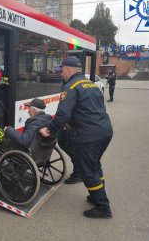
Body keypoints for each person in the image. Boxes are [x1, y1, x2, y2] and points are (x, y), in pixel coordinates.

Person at [40, 56, 113, 219]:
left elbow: (62, 114)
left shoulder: (70, 86)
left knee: (88, 170)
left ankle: (103, 207)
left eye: (61, 71)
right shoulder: (91, 84)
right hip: (105, 130)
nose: (60, 74)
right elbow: (91, 107)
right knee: (95, 165)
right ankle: (96, 196)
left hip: (89, 135)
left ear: (68, 70)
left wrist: (50, 130)